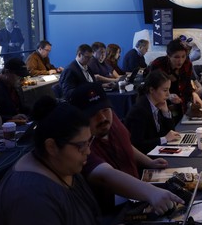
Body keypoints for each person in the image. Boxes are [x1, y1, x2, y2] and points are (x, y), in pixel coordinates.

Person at [0, 103, 133, 225]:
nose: (88, 151)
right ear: (51, 147)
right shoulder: (30, 194)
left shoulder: (62, 165)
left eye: (89, 142)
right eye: (81, 146)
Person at [70, 83, 183, 215]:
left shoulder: (111, 119)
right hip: (114, 213)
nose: (103, 118)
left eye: (105, 110)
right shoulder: (81, 146)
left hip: (139, 198)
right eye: (93, 114)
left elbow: (125, 144)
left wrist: (148, 162)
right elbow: (105, 175)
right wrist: (150, 192)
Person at [145, 38, 202, 122]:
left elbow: (187, 85)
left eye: (183, 56)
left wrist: (194, 94)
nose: (180, 61)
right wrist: (168, 96)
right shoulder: (158, 64)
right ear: (168, 56)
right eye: (176, 57)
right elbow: (151, 88)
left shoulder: (187, 64)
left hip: (181, 106)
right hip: (162, 106)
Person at [125, 70, 180, 154]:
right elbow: (137, 145)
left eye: (168, 90)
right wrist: (164, 139)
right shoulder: (139, 111)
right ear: (151, 90)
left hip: (156, 153)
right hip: (146, 159)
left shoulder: (158, 104)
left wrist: (165, 112)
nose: (168, 94)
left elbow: (171, 133)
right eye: (165, 90)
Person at [0, 58, 31, 122]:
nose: (22, 80)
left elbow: (21, 107)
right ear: (7, 72)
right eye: (19, 76)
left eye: (23, 77)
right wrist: (11, 118)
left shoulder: (15, 85)